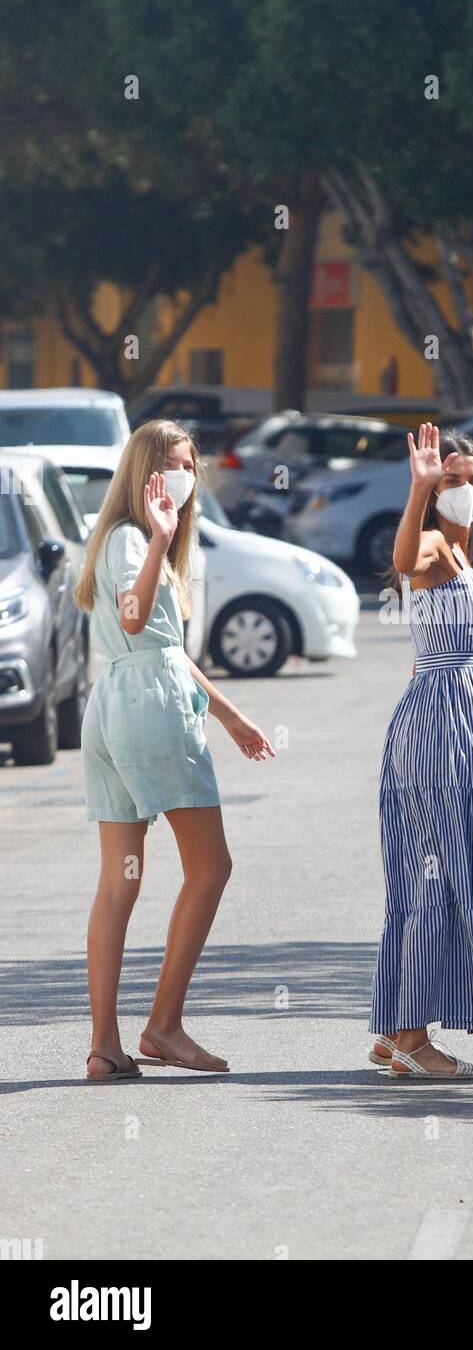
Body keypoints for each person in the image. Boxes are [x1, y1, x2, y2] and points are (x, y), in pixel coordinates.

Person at [75, 419, 275, 1080]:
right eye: (174, 464)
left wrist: (231, 716)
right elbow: (135, 616)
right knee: (210, 868)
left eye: (192, 464)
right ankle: (163, 1025)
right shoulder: (137, 539)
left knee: (118, 884)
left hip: (111, 705)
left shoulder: (113, 538)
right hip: (150, 712)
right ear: (144, 472)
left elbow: (160, 646)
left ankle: (106, 1047)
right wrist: (161, 536)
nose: (186, 478)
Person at [369, 423, 473, 1078]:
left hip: (454, 732)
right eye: (451, 481)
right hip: (433, 734)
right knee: (435, 879)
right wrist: (418, 490)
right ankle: (409, 1039)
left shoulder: (464, 554)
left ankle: (393, 1028)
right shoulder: (427, 543)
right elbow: (402, 564)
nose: (463, 491)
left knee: (438, 875)